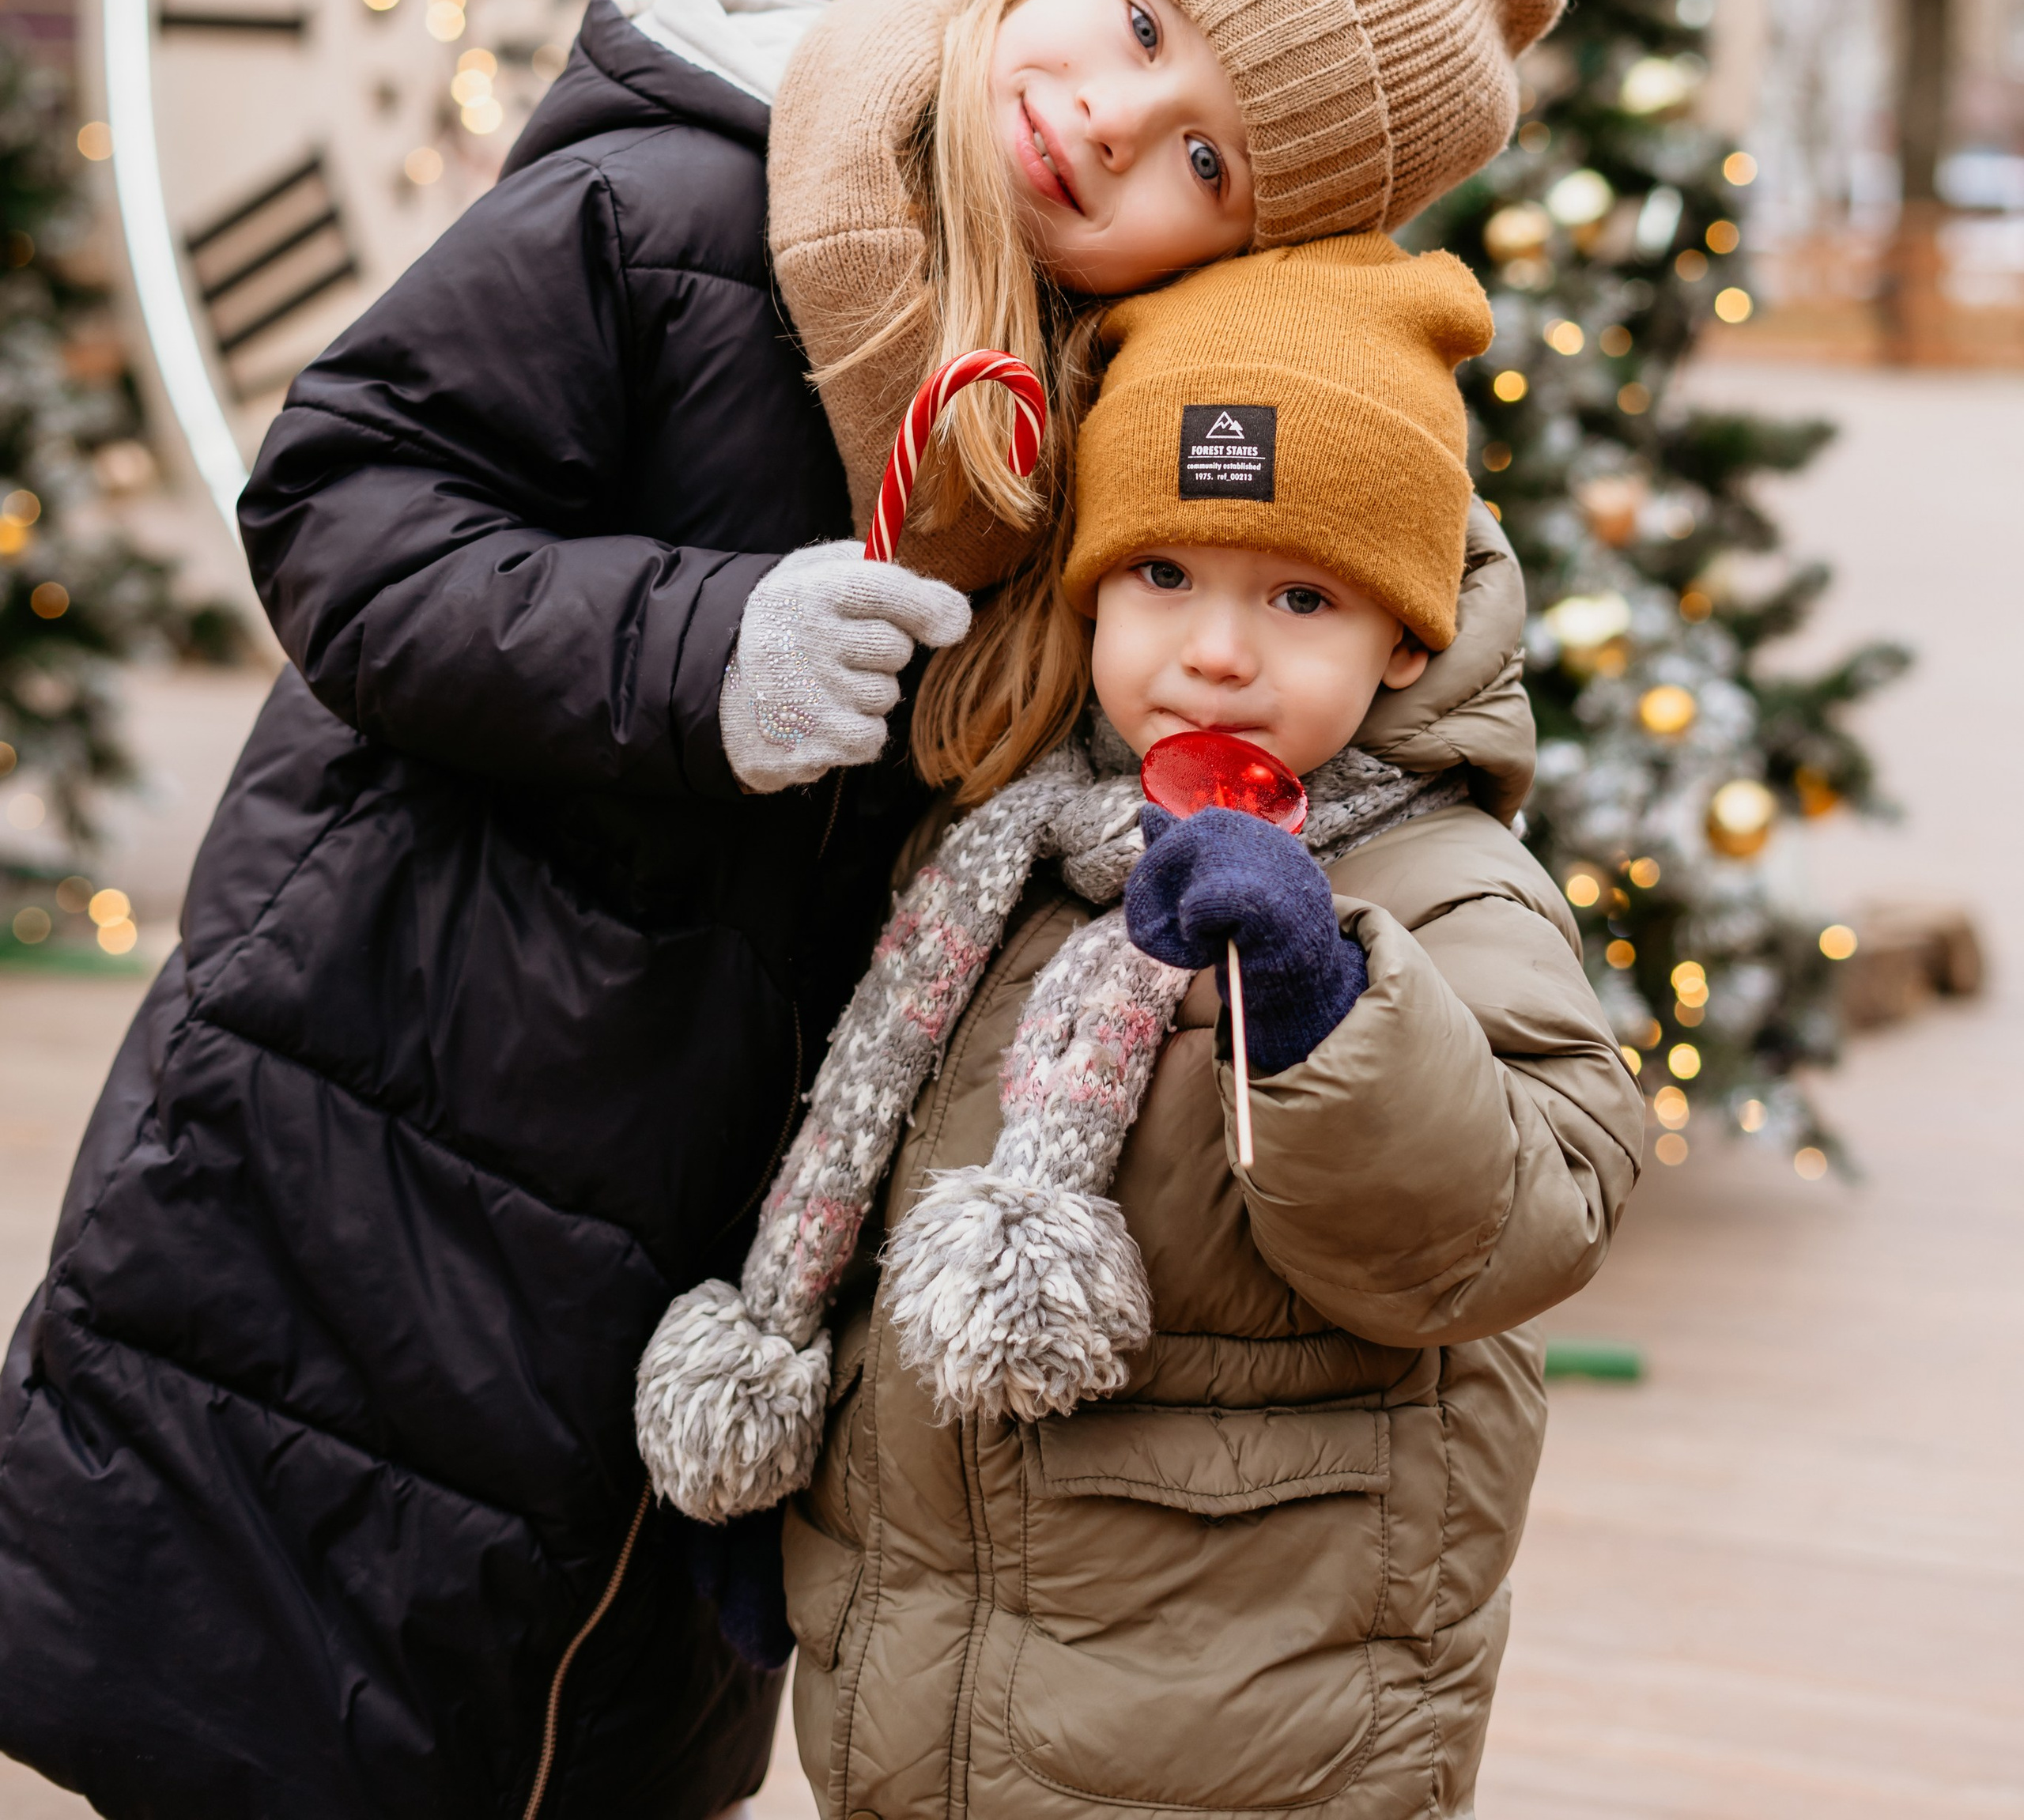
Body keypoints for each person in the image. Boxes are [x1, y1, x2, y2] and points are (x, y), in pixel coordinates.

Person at [0, 0, 1562, 1819]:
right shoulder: (679, 197)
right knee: (283, 1714)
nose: (1103, 120)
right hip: (379, 1115)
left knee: (564, 1734)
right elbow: (342, 506)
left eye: (1205, 160)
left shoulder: (1104, 408)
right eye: (1142, 28)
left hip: (706, 1225)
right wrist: (699, 646)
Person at [637, 236, 1644, 1820]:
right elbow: (886, 1176)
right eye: (1161, 575)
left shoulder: (1439, 886)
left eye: (1298, 596)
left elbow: (1518, 1216)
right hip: (932, 1676)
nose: (1215, 648)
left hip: (1250, 1702)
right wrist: (820, 1511)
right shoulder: (1013, 846)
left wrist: (1316, 1006)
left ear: (1399, 636)